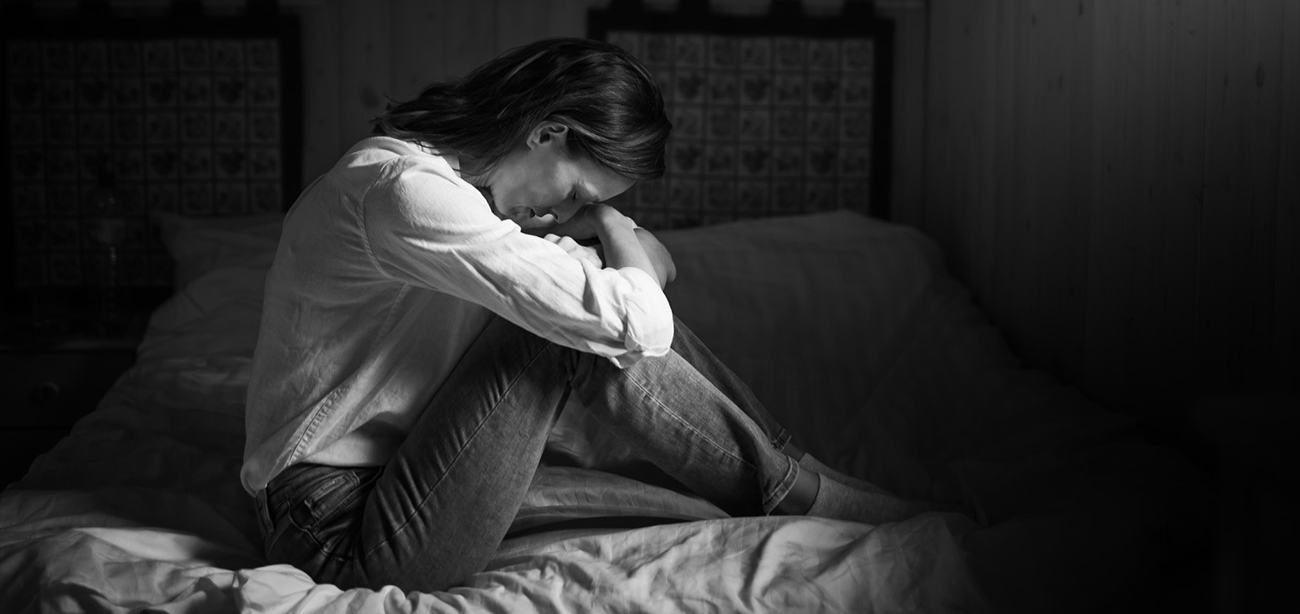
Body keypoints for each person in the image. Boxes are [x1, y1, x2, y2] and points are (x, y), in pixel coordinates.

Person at [243, 37, 963, 593]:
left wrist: (608, 243)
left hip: (406, 476)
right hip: (339, 530)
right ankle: (807, 486)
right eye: (581, 191)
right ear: (548, 130)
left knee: (696, 500)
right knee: (561, 336)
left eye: (584, 205)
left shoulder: (469, 199)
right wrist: (615, 231)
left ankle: (796, 478)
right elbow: (634, 318)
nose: (564, 214)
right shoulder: (406, 193)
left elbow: (636, 288)